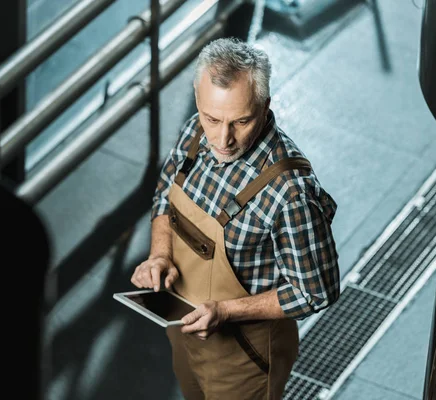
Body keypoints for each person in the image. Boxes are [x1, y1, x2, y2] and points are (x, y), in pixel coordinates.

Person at [130, 37, 340, 399]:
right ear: (198, 101)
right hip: (185, 328)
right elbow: (165, 195)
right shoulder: (195, 132)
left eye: (241, 121)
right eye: (212, 118)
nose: (223, 139)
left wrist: (225, 311)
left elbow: (314, 292)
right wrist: (159, 255)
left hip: (244, 355)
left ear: (265, 106)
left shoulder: (290, 191)